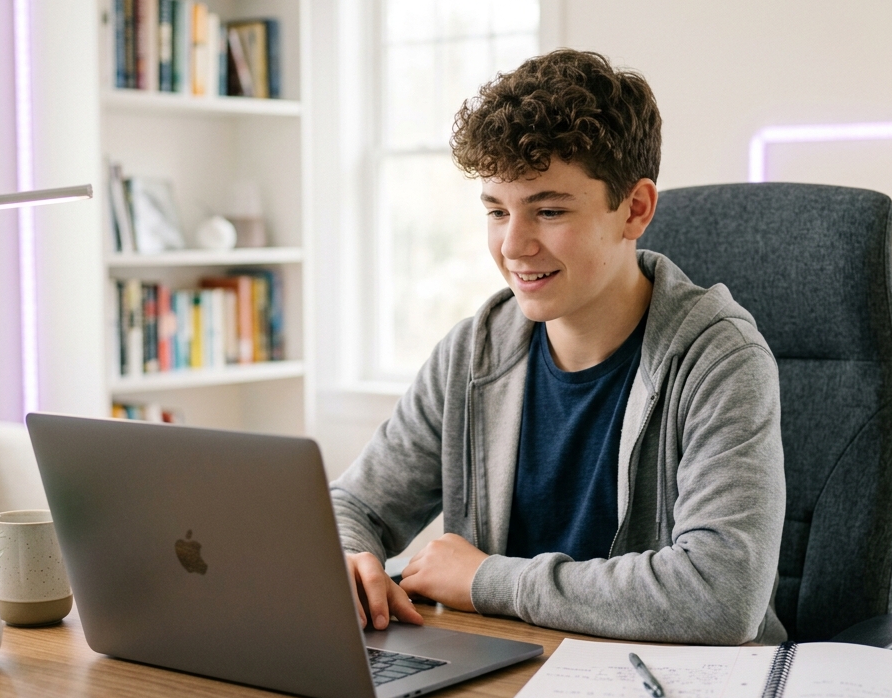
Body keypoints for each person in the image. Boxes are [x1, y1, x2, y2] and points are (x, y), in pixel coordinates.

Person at [333, 49, 786, 645]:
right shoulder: (472, 352)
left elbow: (719, 595)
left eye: (547, 210)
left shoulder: (719, 360)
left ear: (636, 209)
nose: (513, 246)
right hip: (504, 684)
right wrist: (348, 555)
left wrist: (490, 581)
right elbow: (355, 507)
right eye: (497, 211)